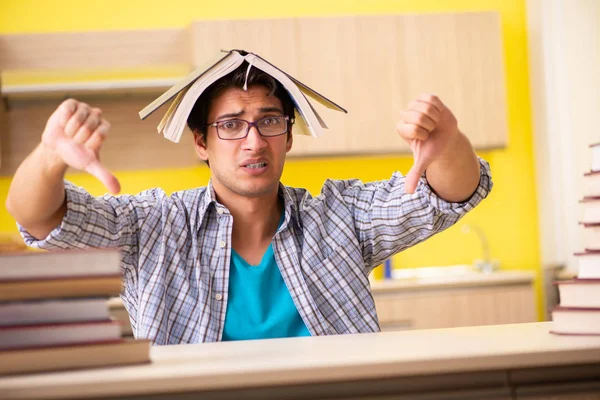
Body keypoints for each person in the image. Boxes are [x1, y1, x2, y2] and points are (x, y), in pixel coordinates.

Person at [6, 63, 492, 344]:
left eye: (270, 121)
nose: (254, 141)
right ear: (201, 142)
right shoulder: (153, 225)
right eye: (231, 124)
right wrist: (49, 157)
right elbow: (39, 216)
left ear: (288, 137)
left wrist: (448, 142)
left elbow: (448, 194)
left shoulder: (340, 217)